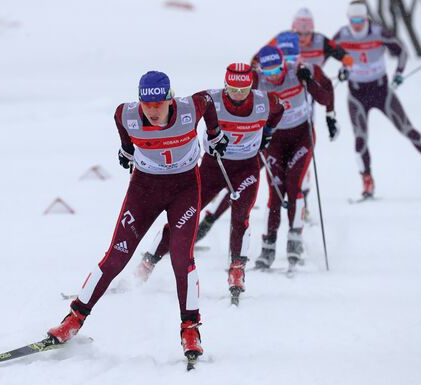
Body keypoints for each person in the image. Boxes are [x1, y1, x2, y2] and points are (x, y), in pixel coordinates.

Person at [46, 71, 228, 362]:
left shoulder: (188, 109)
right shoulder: (127, 114)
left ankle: (190, 328)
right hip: (145, 188)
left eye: (159, 104)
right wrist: (126, 147)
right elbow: (119, 120)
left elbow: (207, 100)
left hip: (184, 188)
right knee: (117, 255)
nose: (153, 111)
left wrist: (215, 134)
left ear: (170, 99)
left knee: (182, 257)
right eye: (147, 105)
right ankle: (73, 320)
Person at [136, 63, 285, 302]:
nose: (237, 95)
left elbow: (279, 109)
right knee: (184, 217)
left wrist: (267, 132)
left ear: (251, 87)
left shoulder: (265, 101)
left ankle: (237, 270)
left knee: (241, 216)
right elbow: (180, 110)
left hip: (247, 167)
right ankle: (148, 261)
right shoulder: (210, 99)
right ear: (225, 86)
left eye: (243, 89)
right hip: (213, 167)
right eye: (232, 89)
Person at [333, 1, 421, 198]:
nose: (356, 24)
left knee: (407, 128)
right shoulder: (342, 36)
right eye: (353, 20)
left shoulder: (378, 33)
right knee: (360, 139)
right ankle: (367, 181)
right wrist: (342, 72)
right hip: (357, 95)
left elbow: (402, 51)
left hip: (381, 92)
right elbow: (329, 54)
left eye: (360, 20)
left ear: (366, 19)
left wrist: (399, 73)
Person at [253, 45, 339, 269]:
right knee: (276, 189)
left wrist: (308, 82)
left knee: (294, 185)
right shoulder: (258, 80)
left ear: (285, 65)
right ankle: (269, 245)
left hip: (302, 136)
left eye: (277, 70)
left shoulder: (298, 71)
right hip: (275, 140)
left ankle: (295, 239)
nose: (273, 76)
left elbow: (325, 96)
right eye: (268, 72)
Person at [251, 8, 354, 69]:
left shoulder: (321, 41)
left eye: (307, 34)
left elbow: (343, 55)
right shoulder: (282, 38)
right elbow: (259, 57)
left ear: (312, 31)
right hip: (286, 86)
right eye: (299, 34)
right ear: (293, 30)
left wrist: (346, 68)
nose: (302, 38)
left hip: (311, 85)